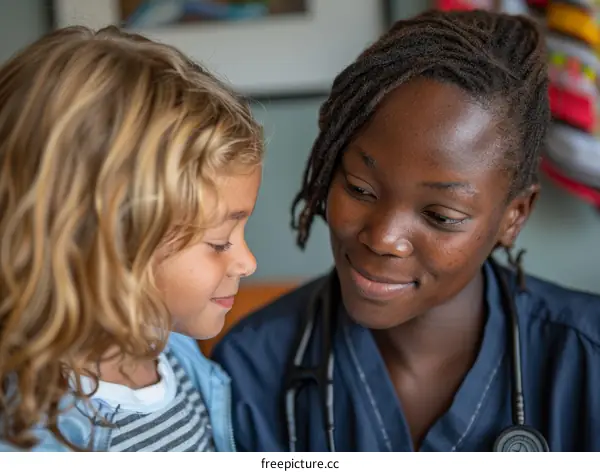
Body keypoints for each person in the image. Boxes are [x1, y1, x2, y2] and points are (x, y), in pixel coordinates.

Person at [211, 9, 600, 452]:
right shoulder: (251, 368)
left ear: (513, 216)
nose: (382, 238)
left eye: (441, 216)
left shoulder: (588, 358)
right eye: (359, 188)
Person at [0, 25, 263, 451]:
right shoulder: (34, 429)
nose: (247, 262)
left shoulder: (177, 357)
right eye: (218, 241)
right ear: (103, 245)